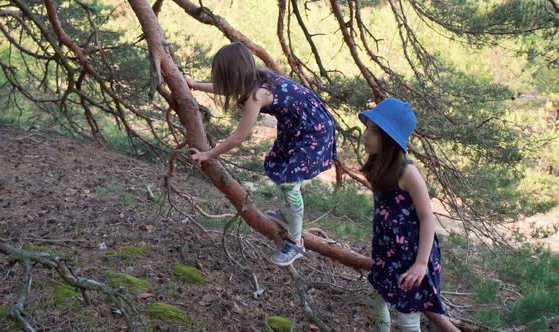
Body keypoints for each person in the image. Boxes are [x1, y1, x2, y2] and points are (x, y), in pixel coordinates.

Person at [185, 42, 337, 266]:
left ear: (234, 74)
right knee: (281, 169)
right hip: (298, 129)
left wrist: (209, 154)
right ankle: (288, 217)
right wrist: (195, 85)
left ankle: (296, 242)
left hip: (313, 132)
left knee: (289, 183)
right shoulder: (256, 79)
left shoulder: (259, 94)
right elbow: (228, 88)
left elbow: (238, 137)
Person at [358, 98, 447, 331]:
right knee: (377, 298)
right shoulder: (379, 167)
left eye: (374, 132)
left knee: (408, 319)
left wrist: (420, 264)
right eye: (367, 128)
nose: (365, 135)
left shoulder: (408, 172)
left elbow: (427, 218)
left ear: (390, 139)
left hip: (411, 257)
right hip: (387, 252)